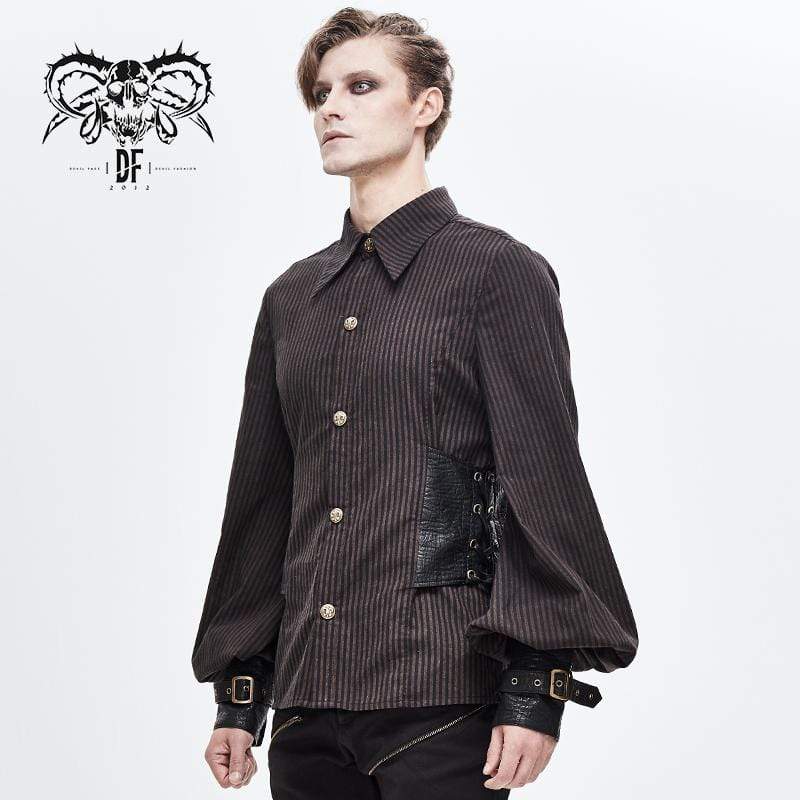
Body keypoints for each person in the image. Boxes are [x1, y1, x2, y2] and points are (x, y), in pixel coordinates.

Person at [191, 8, 638, 797]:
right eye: (321, 93)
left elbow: (542, 482)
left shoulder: (495, 272)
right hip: (306, 710)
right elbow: (262, 501)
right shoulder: (292, 297)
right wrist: (240, 692)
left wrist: (535, 689)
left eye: (361, 86)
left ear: (425, 105)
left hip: (443, 701)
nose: (331, 108)